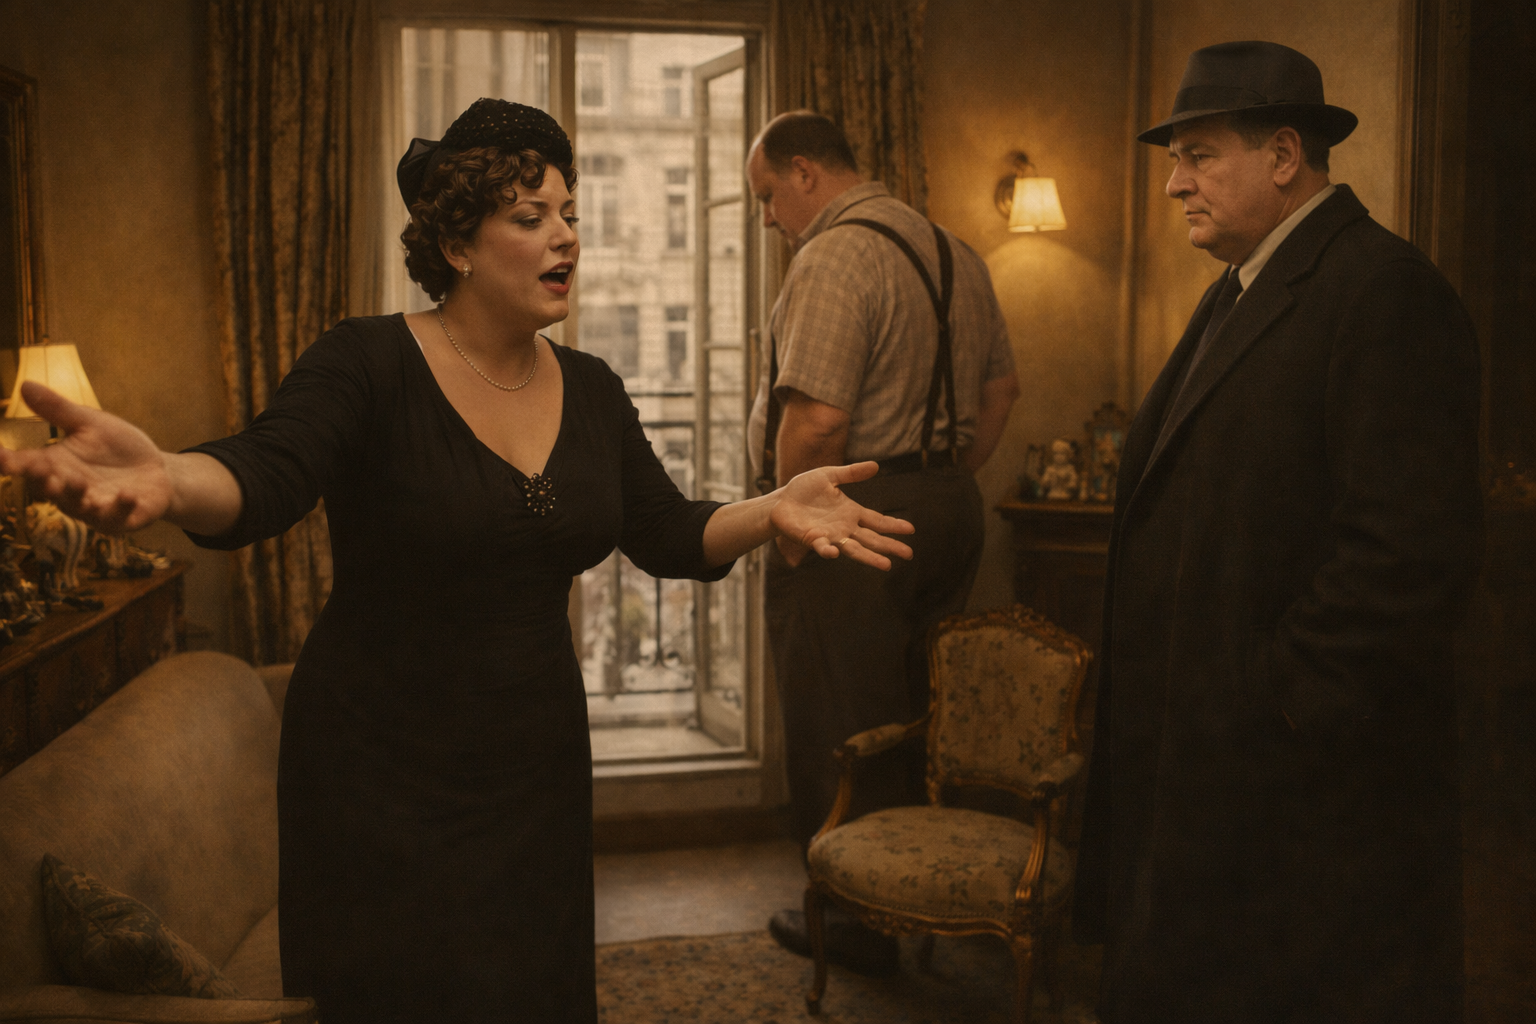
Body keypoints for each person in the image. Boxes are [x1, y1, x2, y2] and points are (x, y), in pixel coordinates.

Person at [0, 99, 917, 1024]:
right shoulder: (366, 361)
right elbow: (265, 472)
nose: (565, 237)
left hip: (534, 758)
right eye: (530, 217)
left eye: (569, 215)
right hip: (375, 765)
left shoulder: (593, 388)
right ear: (457, 246)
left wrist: (773, 507)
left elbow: (668, 531)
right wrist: (170, 475)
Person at [1071, 42, 1482, 1023]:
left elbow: (1407, 554)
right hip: (1215, 771)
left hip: (1302, 794)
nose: (1174, 184)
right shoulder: (1242, 286)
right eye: (1176, 160)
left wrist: (1272, 707)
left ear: (1286, 155)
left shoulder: (1384, 289)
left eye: (1199, 155)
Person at [743, 111, 1020, 974]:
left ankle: (856, 923)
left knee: (838, 716)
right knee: (913, 706)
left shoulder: (834, 254)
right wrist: (942, 479)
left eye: (766, 196)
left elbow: (820, 421)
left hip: (849, 512)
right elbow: (1003, 391)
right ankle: (910, 898)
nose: (767, 218)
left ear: (805, 172)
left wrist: (794, 530)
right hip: (948, 505)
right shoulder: (958, 252)